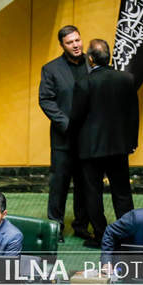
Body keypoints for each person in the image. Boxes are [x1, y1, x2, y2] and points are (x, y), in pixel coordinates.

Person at [71, 39, 139, 248]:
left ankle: (100, 236)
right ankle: (127, 236)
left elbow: (76, 117)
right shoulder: (126, 78)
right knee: (122, 193)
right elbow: (133, 114)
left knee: (93, 193)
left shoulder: (84, 82)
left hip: (91, 149)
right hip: (119, 147)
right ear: (108, 57)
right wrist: (132, 142)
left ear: (90, 59)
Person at [38, 25, 90, 242]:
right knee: (59, 186)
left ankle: (81, 226)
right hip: (63, 139)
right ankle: (55, 228)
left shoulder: (92, 63)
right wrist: (67, 124)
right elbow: (45, 100)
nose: (76, 45)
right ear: (62, 45)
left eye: (78, 40)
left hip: (89, 138)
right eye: (70, 42)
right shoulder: (51, 69)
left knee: (84, 185)